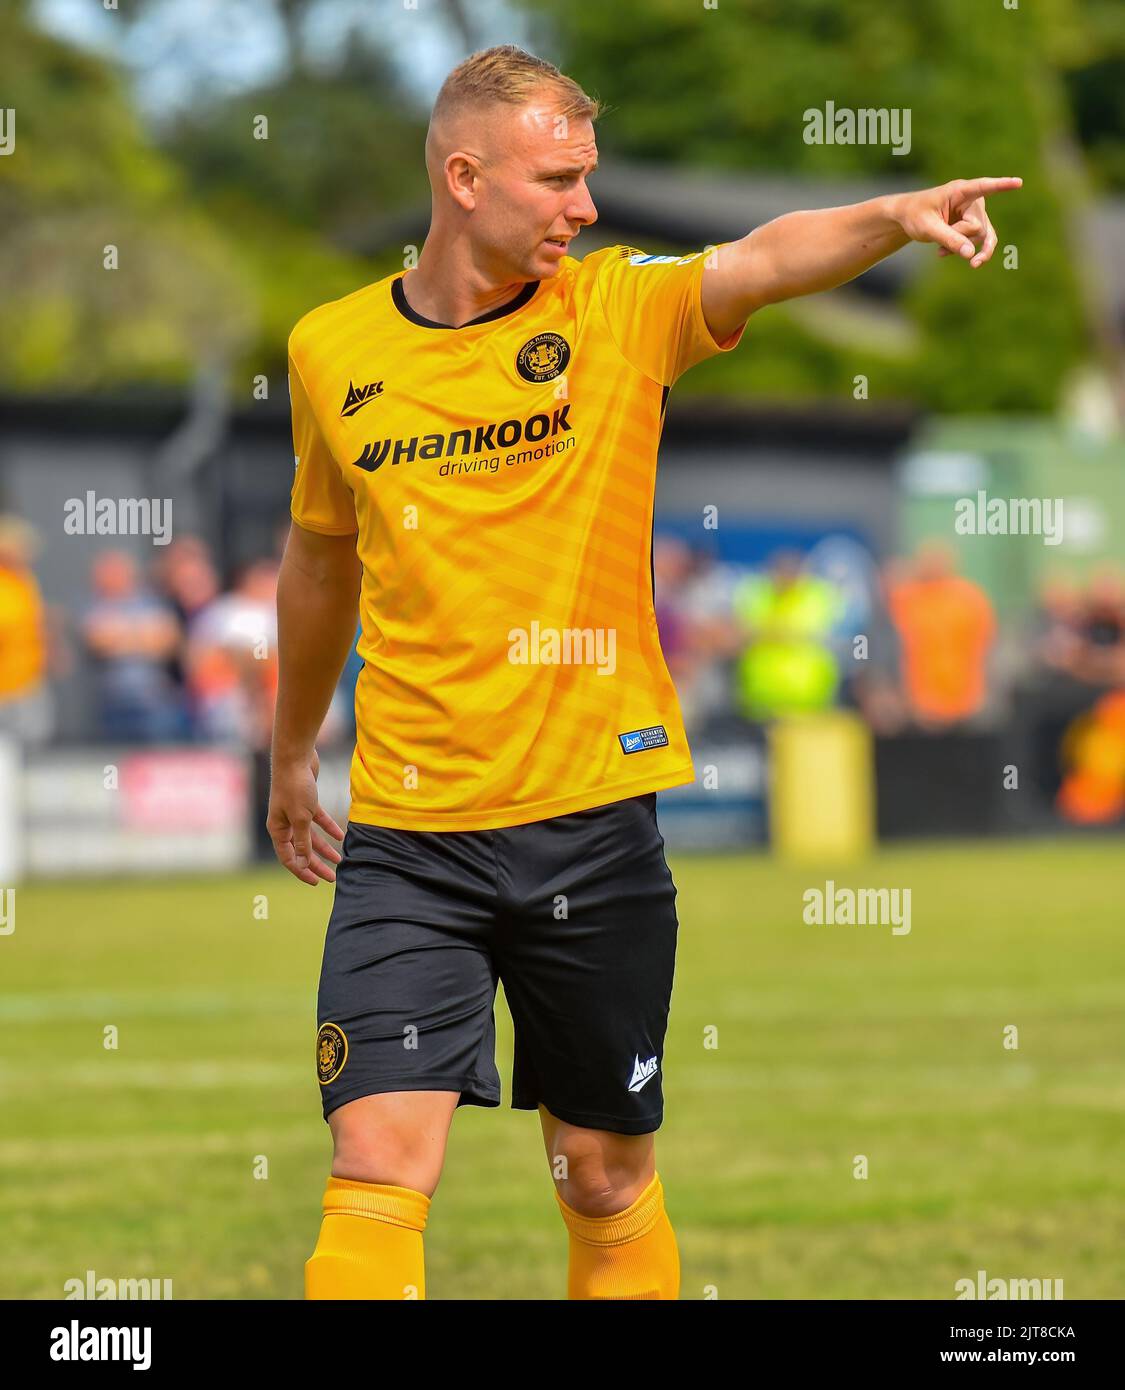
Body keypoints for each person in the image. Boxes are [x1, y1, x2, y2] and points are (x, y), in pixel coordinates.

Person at [267, 43, 1021, 1300]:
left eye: (592, 176)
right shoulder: (328, 350)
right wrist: (290, 752)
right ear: (464, 177)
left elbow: (762, 258)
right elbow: (315, 565)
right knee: (377, 1155)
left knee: (602, 1175)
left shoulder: (618, 312)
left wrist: (894, 215)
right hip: (410, 833)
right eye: (559, 180)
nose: (587, 206)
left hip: (591, 829)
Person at [886, 544, 998, 729]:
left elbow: (986, 648)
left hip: (965, 700)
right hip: (920, 703)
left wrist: (985, 692)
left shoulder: (969, 599)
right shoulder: (906, 599)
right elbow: (891, 648)